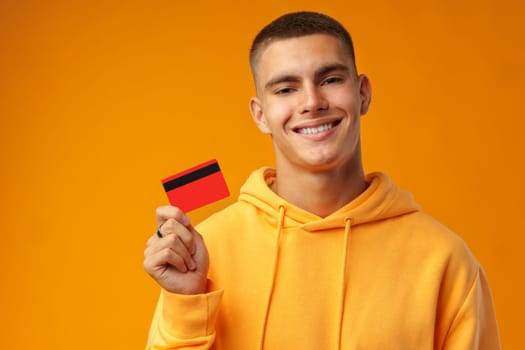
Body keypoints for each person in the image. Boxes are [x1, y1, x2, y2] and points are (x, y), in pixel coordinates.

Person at [143, 11, 500, 350]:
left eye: (329, 79)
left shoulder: (444, 260)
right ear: (260, 114)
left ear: (362, 94)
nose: (312, 102)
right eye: (286, 89)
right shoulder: (207, 250)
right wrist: (185, 304)